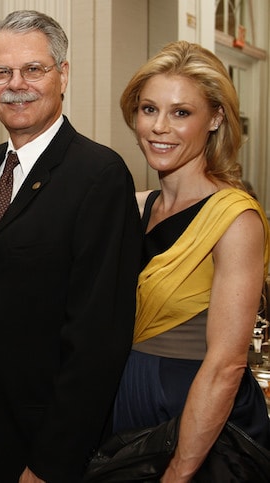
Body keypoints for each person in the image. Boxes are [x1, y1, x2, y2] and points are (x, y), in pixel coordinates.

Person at [0, 9, 142, 482]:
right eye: (2, 72)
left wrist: (49, 464)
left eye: (33, 69)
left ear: (63, 75)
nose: (16, 84)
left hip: (43, 448)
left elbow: (97, 341)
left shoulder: (99, 177)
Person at [112, 40, 270, 481]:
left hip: (198, 419)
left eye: (181, 113)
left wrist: (179, 472)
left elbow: (226, 364)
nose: (160, 127)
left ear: (216, 117)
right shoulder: (135, 206)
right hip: (127, 406)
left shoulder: (234, 218)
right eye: (148, 109)